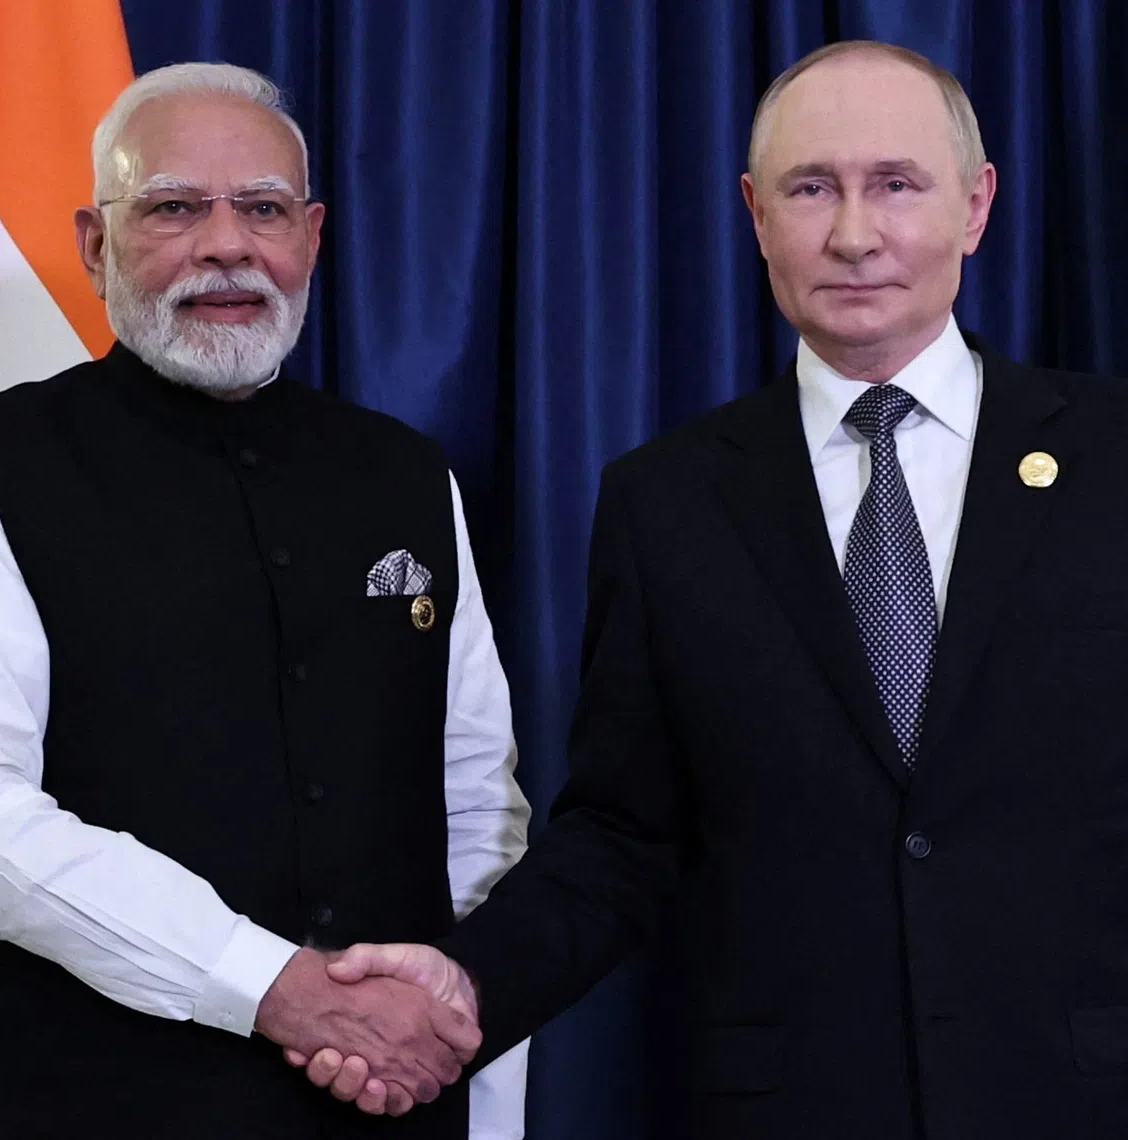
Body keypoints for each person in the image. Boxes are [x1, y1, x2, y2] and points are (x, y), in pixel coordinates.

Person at [300, 39, 1128, 1139]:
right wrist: (470, 985)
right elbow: (621, 834)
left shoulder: (1116, 459)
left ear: (976, 207)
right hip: (787, 1108)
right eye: (811, 188)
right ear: (755, 213)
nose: (853, 233)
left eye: (895, 185)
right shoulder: (668, 502)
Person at [0, 62, 530, 1139]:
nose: (227, 246)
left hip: (394, 1107)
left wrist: (450, 1034)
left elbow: (478, 808)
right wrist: (277, 986)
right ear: (96, 245)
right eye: (176, 208)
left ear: (313, 238)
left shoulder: (408, 475)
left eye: (264, 210)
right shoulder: (4, 463)